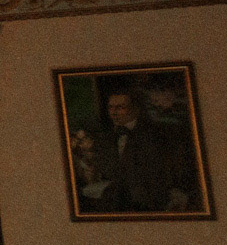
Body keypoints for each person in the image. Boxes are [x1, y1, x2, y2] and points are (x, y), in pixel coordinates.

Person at [70, 87, 203, 213]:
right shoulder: (106, 138)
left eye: (120, 107)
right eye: (111, 107)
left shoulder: (156, 135)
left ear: (136, 109)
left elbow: (167, 170)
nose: (113, 112)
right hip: (117, 202)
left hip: (151, 201)